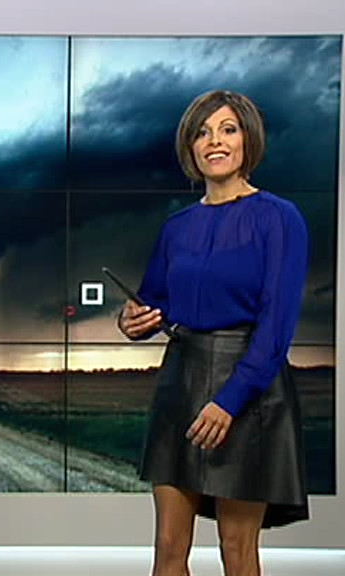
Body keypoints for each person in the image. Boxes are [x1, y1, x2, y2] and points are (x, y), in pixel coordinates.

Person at [118, 90, 310, 576]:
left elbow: (277, 325)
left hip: (249, 386)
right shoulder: (176, 227)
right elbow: (154, 303)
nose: (214, 141)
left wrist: (229, 401)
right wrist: (132, 322)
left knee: (236, 548)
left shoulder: (279, 217)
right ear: (190, 147)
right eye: (202, 132)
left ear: (248, 139)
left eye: (228, 129)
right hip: (179, 382)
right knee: (167, 548)